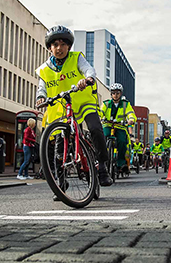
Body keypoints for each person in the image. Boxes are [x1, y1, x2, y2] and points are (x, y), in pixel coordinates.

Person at [35, 26, 113, 187]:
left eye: (63, 44)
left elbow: (88, 69)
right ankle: (61, 182)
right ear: (49, 48)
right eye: (55, 45)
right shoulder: (44, 69)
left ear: (69, 47)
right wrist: (40, 97)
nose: (59, 48)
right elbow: (41, 87)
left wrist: (88, 78)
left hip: (84, 102)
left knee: (95, 128)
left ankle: (103, 168)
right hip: (62, 108)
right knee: (58, 145)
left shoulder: (76, 58)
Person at [101, 84, 137, 174]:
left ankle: (121, 163)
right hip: (108, 125)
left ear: (120, 93)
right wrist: (98, 117)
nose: (115, 95)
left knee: (122, 141)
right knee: (103, 136)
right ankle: (102, 160)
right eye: (113, 93)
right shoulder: (106, 103)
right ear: (111, 94)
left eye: (117, 93)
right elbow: (101, 111)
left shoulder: (125, 104)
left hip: (120, 126)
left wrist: (131, 120)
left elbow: (130, 113)